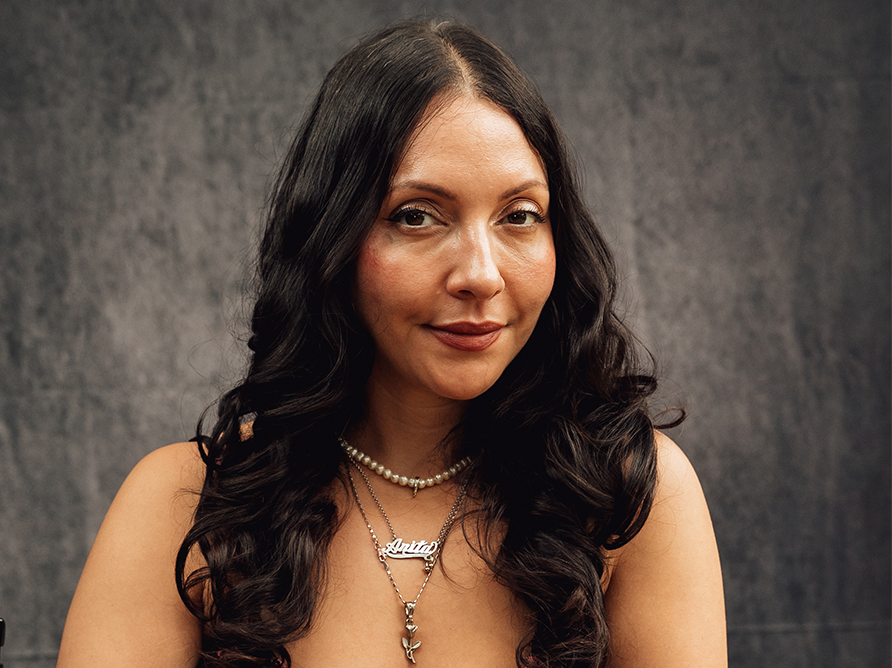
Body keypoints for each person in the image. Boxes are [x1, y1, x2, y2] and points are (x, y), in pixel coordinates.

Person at [57, 20, 726, 668]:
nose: (480, 275)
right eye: (417, 216)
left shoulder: (630, 497)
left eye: (519, 216)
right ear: (334, 238)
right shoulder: (183, 504)